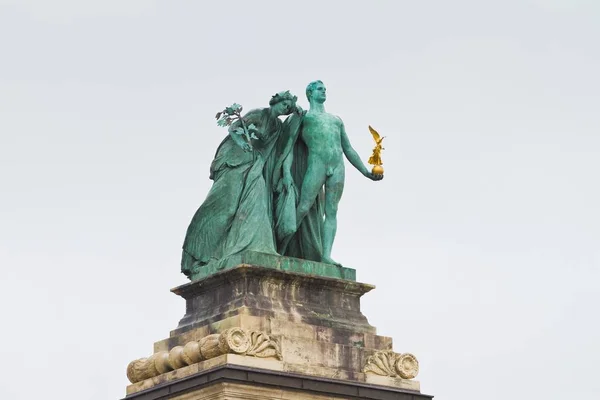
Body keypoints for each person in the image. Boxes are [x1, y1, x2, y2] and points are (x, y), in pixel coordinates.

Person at [181, 91, 298, 279]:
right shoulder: (259, 113)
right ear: (276, 101)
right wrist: (242, 142)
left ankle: (253, 246)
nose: (286, 109)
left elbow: (282, 144)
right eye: (285, 104)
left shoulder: (277, 126)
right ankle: (198, 258)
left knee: (256, 201)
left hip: (252, 165)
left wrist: (297, 112)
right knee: (223, 208)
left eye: (288, 107)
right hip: (233, 161)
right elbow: (234, 128)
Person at [274, 81, 382, 266]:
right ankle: (280, 247)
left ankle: (326, 255)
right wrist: (286, 172)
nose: (324, 91)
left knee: (332, 211)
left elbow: (348, 149)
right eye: (319, 88)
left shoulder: (336, 120)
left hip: (338, 166)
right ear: (309, 93)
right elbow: (288, 147)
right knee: (303, 207)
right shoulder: (304, 117)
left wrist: (365, 171)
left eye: (324, 89)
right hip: (317, 165)